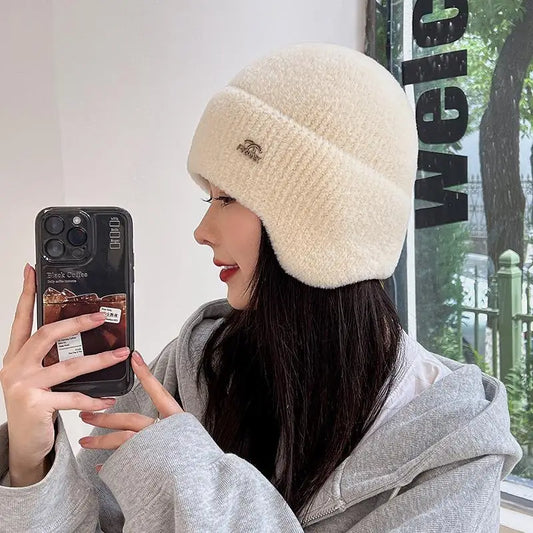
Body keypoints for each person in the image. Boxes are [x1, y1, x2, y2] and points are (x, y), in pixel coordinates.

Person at [0, 42, 523, 532]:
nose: (202, 231)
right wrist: (29, 459)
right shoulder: (194, 362)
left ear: (321, 218)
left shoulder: (453, 447)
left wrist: (194, 482)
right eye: (208, 198)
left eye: (227, 198)